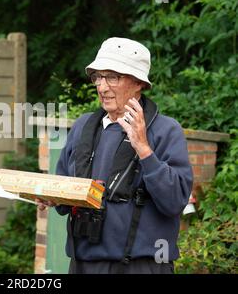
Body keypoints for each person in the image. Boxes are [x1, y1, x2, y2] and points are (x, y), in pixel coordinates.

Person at [37, 37, 193, 274]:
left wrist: (143, 148)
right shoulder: (82, 127)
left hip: (141, 266)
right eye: (98, 77)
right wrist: (54, 197)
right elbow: (66, 188)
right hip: (83, 264)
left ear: (139, 82)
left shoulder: (165, 131)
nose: (102, 86)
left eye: (113, 77)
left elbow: (174, 201)